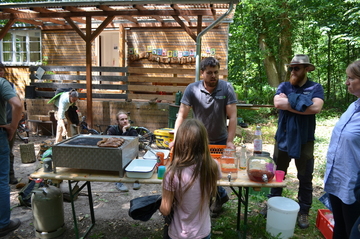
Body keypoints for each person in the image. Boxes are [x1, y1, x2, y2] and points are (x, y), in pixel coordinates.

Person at [170, 57, 237, 216]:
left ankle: (218, 197)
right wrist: (176, 139)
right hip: (198, 140)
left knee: (216, 173)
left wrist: (229, 141)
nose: (213, 75)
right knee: (200, 172)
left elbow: (232, 117)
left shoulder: (227, 88)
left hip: (220, 139)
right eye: (209, 73)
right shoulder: (192, 89)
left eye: (216, 72)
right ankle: (213, 200)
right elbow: (181, 116)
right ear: (202, 73)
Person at [264, 54, 324, 229]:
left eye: (296, 68)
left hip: (305, 140)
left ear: (306, 69)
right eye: (291, 68)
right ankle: (272, 203)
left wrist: (289, 101)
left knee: (305, 177)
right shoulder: (284, 86)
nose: (293, 71)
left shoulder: (315, 87)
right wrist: (303, 103)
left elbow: (316, 108)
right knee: (277, 174)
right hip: (283, 138)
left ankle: (304, 211)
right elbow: (277, 103)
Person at [160, 119, 221, 239]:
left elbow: (165, 210)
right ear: (204, 142)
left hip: (179, 234)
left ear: (180, 143)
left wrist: (159, 202)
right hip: (203, 232)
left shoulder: (172, 174)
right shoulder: (213, 166)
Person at [324, 60, 360, 239]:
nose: (346, 82)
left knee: (352, 232)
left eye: (351, 78)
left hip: (354, 186)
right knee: (339, 228)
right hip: (338, 179)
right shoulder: (353, 107)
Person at [0, 69, 22, 236]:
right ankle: (3, 224)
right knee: (1, 180)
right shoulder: (2, 83)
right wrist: (13, 127)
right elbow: (17, 104)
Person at [107, 111, 140, 192]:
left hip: (130, 154)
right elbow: (112, 144)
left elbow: (133, 144)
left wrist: (125, 130)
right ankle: (119, 182)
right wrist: (124, 131)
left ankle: (136, 180)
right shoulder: (112, 130)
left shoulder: (132, 130)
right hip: (116, 154)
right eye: (122, 119)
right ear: (117, 121)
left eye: (126, 119)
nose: (125, 121)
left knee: (135, 162)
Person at [0, 63, 18, 184]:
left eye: (1, 70)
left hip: (10, 122)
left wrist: (13, 125)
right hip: (2, 125)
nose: (0, 73)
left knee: (9, 152)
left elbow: (17, 104)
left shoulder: (9, 85)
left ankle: (10, 175)